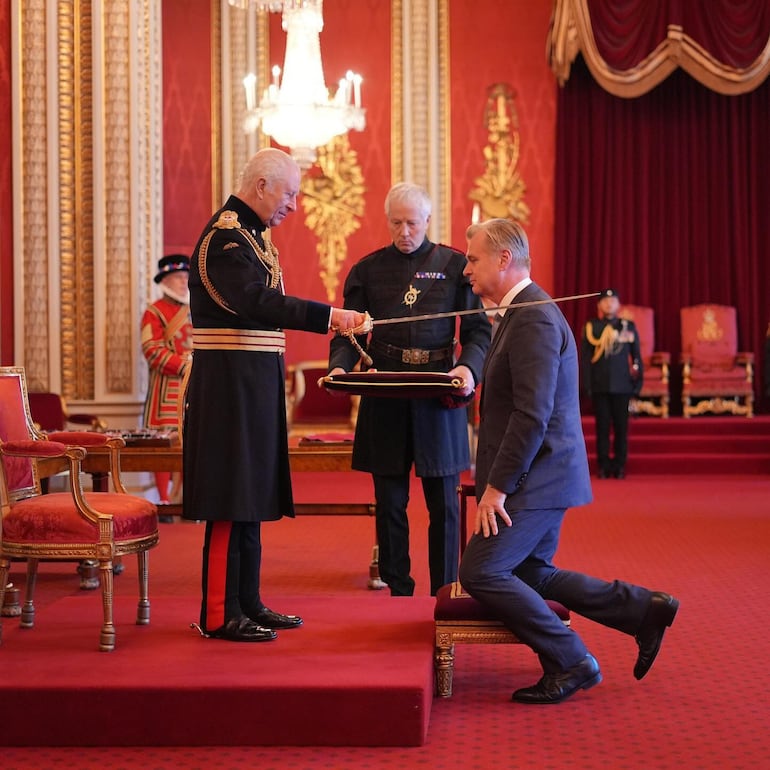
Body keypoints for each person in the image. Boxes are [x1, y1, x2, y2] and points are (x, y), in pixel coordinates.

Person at [458, 218, 678, 704]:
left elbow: (531, 415)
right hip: (538, 475)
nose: (466, 269)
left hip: (537, 477)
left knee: (480, 572)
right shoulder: (521, 314)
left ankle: (572, 659)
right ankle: (642, 609)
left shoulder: (533, 315)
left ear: (503, 259)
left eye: (472, 259)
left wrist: (496, 488)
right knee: (531, 572)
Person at [182, 148, 367, 642]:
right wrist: (330, 317)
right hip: (227, 386)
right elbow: (255, 302)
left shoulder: (252, 235)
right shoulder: (224, 239)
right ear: (262, 185)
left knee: (250, 491)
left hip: (253, 381)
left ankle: (247, 600)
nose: (294, 205)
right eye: (289, 194)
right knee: (229, 494)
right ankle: (220, 613)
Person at [328, 182, 491, 596]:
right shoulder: (366, 270)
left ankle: (446, 591)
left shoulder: (455, 266)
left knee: (446, 507)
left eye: (412, 223)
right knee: (390, 504)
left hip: (439, 390)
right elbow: (349, 336)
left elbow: (477, 333)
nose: (404, 231)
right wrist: (339, 369)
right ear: (388, 221)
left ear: (428, 221)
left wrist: (468, 369)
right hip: (386, 391)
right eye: (397, 223)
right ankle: (398, 589)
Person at [141, 254, 193, 509]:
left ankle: (186, 499)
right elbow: (151, 349)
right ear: (166, 280)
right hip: (166, 390)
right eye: (178, 278)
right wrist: (182, 365)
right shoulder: (154, 312)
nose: (184, 283)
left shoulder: (196, 311)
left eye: (186, 277)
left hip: (193, 388)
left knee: (191, 443)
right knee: (163, 445)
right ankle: (163, 501)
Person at [580, 288, 643, 479]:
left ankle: (619, 465)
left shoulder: (627, 326)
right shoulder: (592, 327)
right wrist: (587, 386)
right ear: (599, 305)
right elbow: (585, 359)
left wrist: (637, 383)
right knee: (602, 428)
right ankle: (603, 465)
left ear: (618, 304)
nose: (609, 304)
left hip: (622, 386)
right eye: (605, 301)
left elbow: (636, 357)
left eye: (613, 300)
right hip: (601, 386)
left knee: (621, 428)